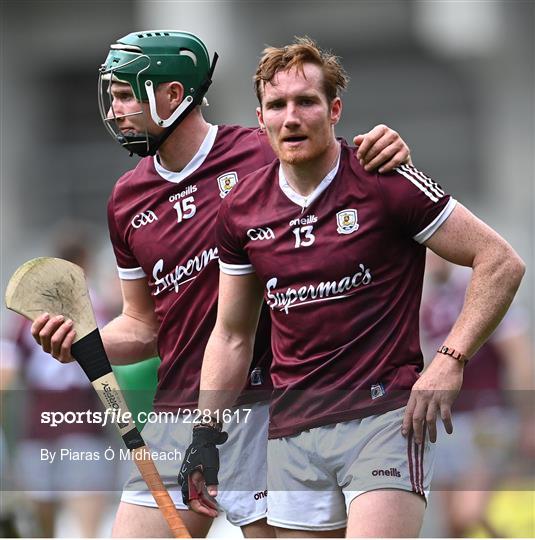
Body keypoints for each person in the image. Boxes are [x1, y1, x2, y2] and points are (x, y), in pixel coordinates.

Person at [30, 31, 413, 538]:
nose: (115, 109)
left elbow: (336, 172)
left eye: (126, 94)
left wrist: (388, 145)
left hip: (265, 411)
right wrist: (81, 344)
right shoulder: (126, 200)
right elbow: (143, 327)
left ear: (170, 95)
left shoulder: (261, 150)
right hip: (177, 409)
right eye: (113, 96)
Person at [180, 37, 525, 537]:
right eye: (277, 105)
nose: (291, 117)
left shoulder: (386, 178)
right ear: (261, 119)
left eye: (306, 102)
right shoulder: (241, 211)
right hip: (292, 430)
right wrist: (205, 433)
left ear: (334, 109)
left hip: (385, 418)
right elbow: (231, 335)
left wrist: (451, 359)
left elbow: (500, 261)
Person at [421, 252, 534, 537]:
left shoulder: (483, 295)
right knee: (453, 526)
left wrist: (530, 418)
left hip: (486, 419)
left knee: (469, 512)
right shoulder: (429, 305)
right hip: (448, 424)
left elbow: (519, 357)